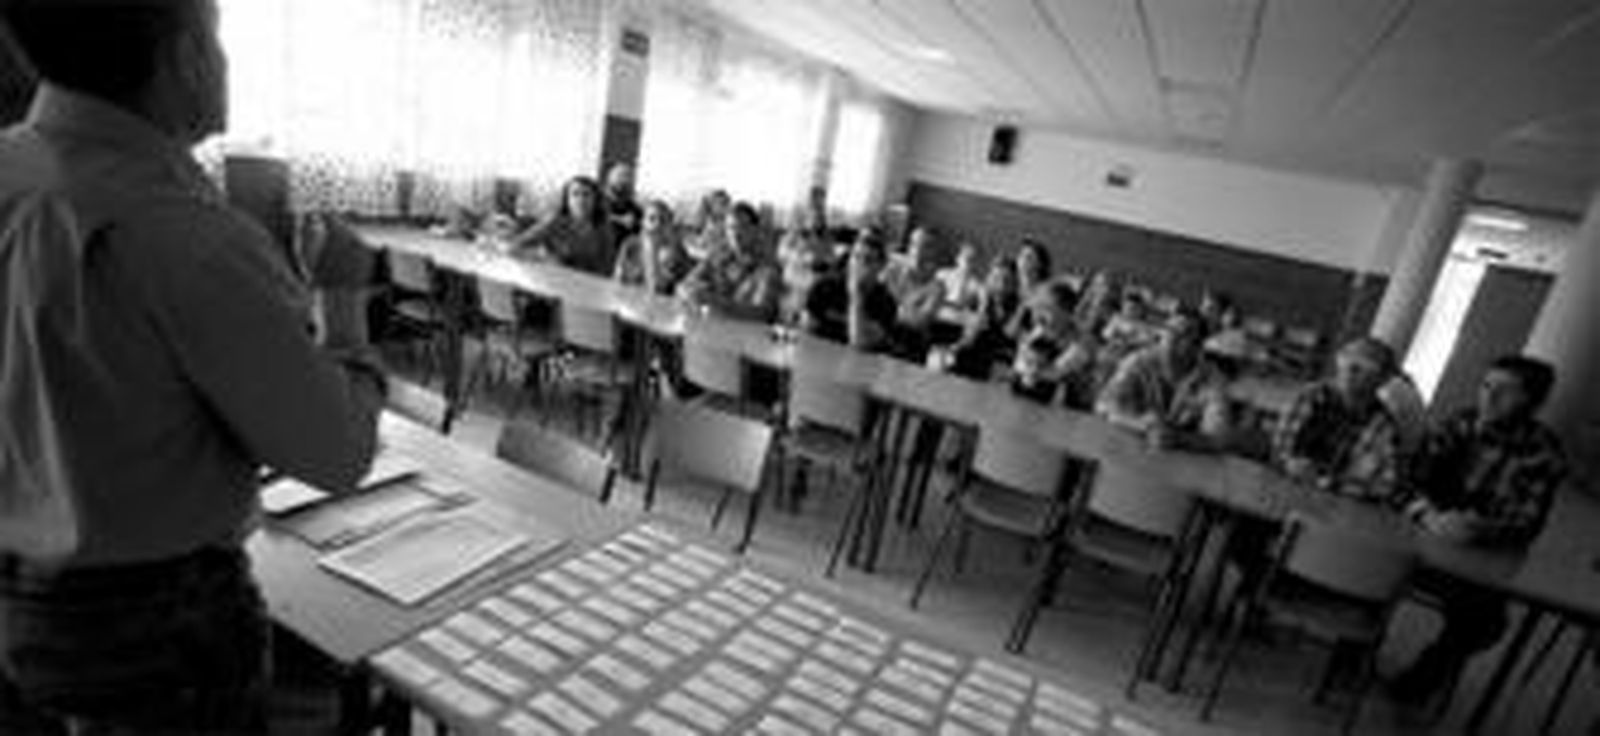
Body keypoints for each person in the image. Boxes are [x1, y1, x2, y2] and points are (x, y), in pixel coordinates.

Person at [0, 1, 384, 732]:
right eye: (217, 37)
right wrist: (340, 302)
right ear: (186, 58)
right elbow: (338, 452)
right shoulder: (185, 231)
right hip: (151, 635)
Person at [1389, 356, 1568, 705]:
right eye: (1487, 386)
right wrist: (1427, 514)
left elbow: (1525, 525)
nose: (1489, 397)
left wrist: (1479, 528)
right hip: (1419, 538)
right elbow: (1407, 476)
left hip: (1474, 558)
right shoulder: (1461, 423)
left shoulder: (1543, 453)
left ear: (1532, 401)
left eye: (1506, 391)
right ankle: (1352, 657)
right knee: (1368, 565)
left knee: (1484, 623)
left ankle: (1419, 681)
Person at [1271, 336, 1405, 505]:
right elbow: (1281, 447)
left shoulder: (1382, 426)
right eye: (1346, 359)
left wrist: (1326, 483)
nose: (1351, 369)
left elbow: (1383, 487)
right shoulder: (1311, 396)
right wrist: (1288, 463)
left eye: (1366, 366)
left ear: (1382, 380)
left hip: (1336, 509)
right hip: (1286, 491)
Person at [1096, 309, 1234, 451]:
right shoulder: (1139, 361)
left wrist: (1178, 438)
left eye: (1184, 335)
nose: (1172, 338)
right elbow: (1104, 405)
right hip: (1129, 449)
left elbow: (1217, 439)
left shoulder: (1213, 380)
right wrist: (1144, 427)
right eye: (1169, 330)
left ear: (1197, 347)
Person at [676, 201, 781, 323]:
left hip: (747, 336)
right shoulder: (718, 256)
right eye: (731, 228)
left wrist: (713, 301)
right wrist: (690, 293)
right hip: (714, 328)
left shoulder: (767, 267)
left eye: (743, 227)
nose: (736, 234)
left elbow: (761, 314)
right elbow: (683, 285)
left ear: (755, 230)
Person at [801, 229, 898, 353]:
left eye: (867, 260)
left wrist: (856, 297)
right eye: (856, 257)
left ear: (880, 266)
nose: (859, 265)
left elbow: (859, 344)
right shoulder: (824, 286)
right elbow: (806, 333)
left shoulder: (886, 303)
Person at [511, 175, 614, 275]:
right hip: (553, 281)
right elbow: (516, 245)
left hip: (587, 287)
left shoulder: (604, 230)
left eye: (586, 194)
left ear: (595, 200)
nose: (581, 200)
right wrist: (541, 257)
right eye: (575, 194)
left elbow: (607, 271)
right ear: (567, 200)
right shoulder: (554, 222)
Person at [948, 256, 1022, 379]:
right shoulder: (978, 300)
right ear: (988, 279)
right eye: (996, 278)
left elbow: (1010, 336)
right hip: (977, 356)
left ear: (1014, 285)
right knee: (962, 353)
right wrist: (984, 304)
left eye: (1007, 280)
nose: (1001, 285)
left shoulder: (1019, 308)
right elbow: (970, 335)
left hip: (1002, 360)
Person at [880, 226, 946, 361]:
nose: (918, 250)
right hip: (878, 337)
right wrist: (907, 309)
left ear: (934, 252)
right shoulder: (891, 271)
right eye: (914, 244)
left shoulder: (937, 287)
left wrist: (892, 303)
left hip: (908, 349)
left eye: (926, 246)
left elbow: (919, 322)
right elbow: (872, 303)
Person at [613, 200, 693, 296]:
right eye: (652, 219)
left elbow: (657, 290)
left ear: (669, 226)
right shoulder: (630, 244)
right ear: (643, 222)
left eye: (662, 220)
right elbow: (617, 280)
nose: (657, 224)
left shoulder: (676, 253)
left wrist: (653, 250)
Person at [777, 199, 834, 324]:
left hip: (814, 275)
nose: (816, 221)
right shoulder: (793, 234)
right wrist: (803, 258)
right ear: (806, 217)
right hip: (794, 272)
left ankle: (804, 316)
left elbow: (831, 258)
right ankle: (789, 317)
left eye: (820, 218)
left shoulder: (827, 238)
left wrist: (821, 260)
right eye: (813, 217)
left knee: (816, 286)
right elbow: (782, 253)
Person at [938, 241, 985, 314]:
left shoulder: (976, 283)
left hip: (959, 314)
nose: (968, 261)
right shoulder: (943, 274)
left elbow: (983, 301)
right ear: (957, 258)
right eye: (965, 256)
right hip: (940, 310)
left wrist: (979, 314)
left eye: (973, 259)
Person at [602, 161, 642, 244]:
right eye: (620, 175)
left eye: (629, 176)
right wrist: (619, 219)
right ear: (609, 177)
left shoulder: (636, 210)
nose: (624, 180)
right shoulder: (596, 201)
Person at [688, 188, 732, 257]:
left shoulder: (731, 222)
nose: (727, 206)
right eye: (722, 203)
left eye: (727, 202)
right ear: (712, 206)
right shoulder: (709, 227)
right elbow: (699, 245)